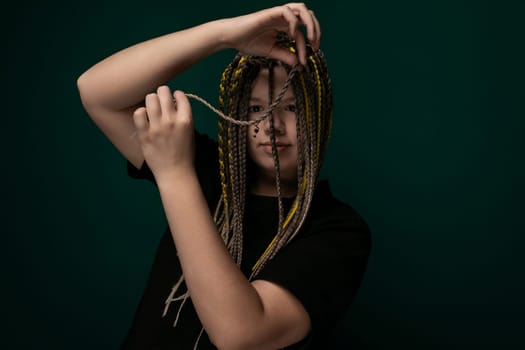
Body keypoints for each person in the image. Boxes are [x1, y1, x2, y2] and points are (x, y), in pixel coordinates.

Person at [77, 3, 371, 349]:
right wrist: (223, 35)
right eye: (256, 108)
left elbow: (242, 335)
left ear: (319, 116)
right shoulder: (207, 169)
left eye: (290, 108)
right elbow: (96, 92)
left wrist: (174, 173)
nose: (270, 125)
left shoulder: (338, 230)